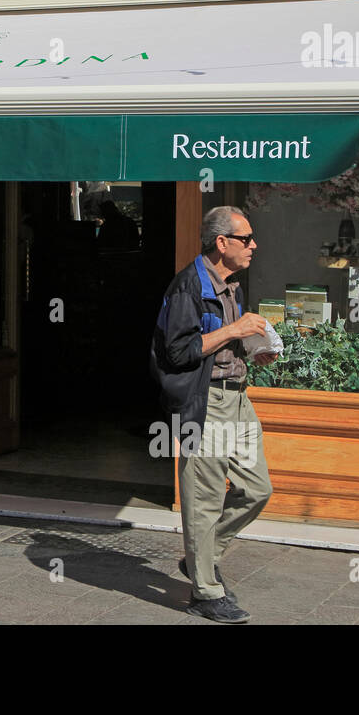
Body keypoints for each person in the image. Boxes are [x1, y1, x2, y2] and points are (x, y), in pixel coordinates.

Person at [149, 205, 278, 623]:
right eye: (246, 239)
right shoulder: (187, 287)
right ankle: (205, 591)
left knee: (257, 489)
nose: (254, 245)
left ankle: (201, 556)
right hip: (207, 403)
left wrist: (252, 349)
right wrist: (234, 330)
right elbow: (178, 351)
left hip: (238, 398)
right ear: (222, 243)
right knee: (203, 499)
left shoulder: (229, 285)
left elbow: (220, 344)